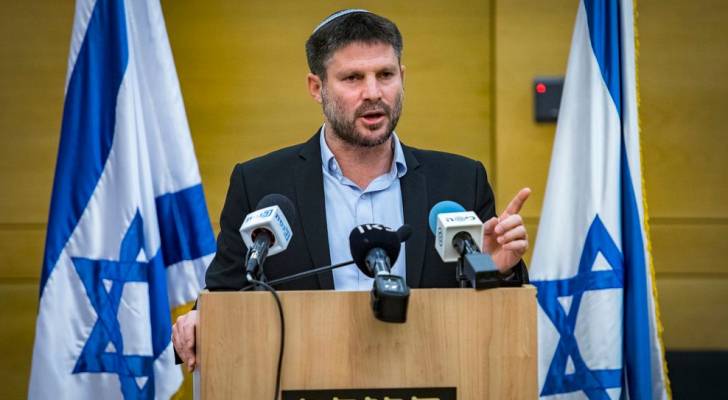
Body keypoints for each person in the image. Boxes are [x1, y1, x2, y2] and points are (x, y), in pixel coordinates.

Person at [172, 9, 531, 372]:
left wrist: (498, 272)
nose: (373, 93)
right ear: (317, 88)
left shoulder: (459, 182)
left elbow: (497, 325)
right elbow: (226, 293)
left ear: (402, 77)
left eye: (385, 75)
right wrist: (203, 319)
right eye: (353, 78)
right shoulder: (260, 184)